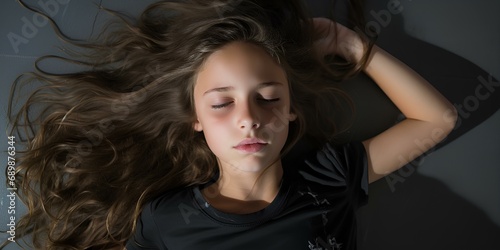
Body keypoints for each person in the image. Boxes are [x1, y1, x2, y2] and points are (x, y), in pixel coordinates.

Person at [5, 0, 457, 249]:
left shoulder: (331, 176)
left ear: (291, 111)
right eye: (222, 104)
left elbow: (437, 119)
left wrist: (353, 46)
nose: (248, 119)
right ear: (195, 120)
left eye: (268, 98)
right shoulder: (164, 220)